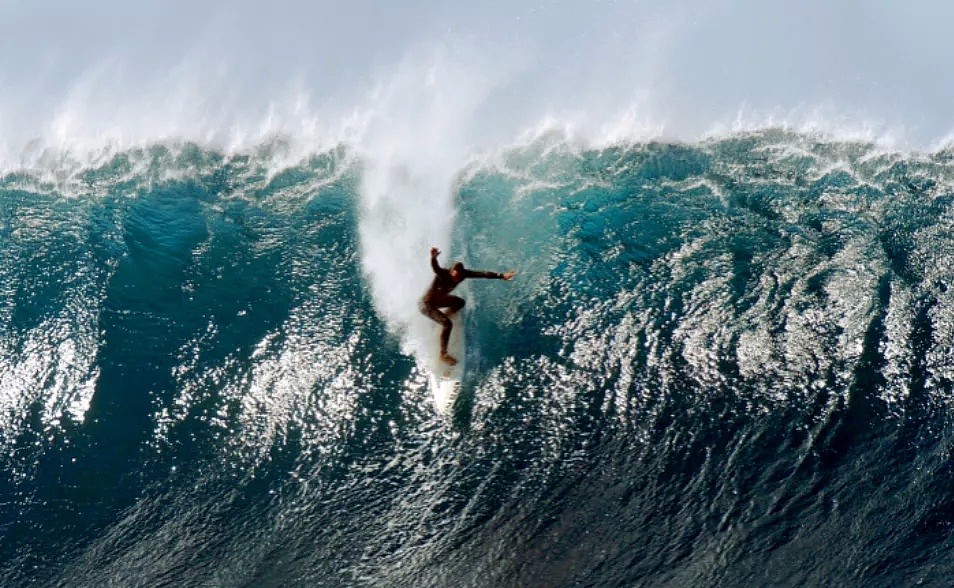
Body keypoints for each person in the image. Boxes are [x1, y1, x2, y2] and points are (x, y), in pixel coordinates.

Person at [420, 246, 516, 365]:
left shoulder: (463, 274)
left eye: (458, 278)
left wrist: (501, 276)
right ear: (451, 272)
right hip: (426, 304)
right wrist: (433, 258)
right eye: (454, 277)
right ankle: (443, 354)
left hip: (439, 300)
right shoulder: (443, 274)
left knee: (460, 303)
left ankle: (444, 316)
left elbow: (482, 274)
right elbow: (436, 268)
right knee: (448, 324)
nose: (456, 280)